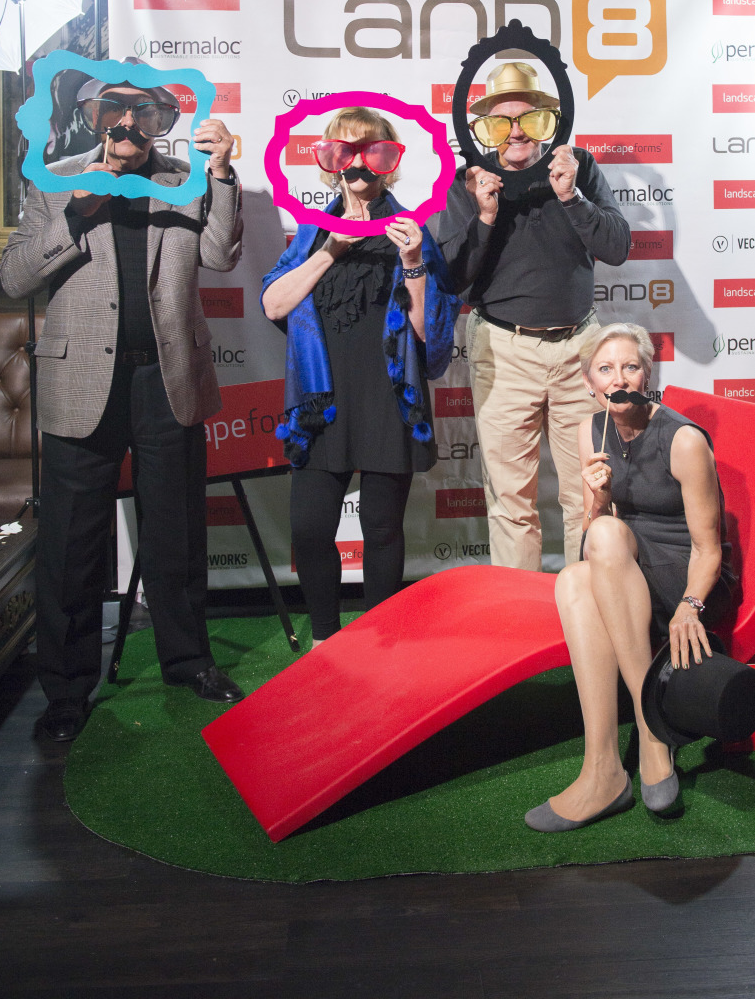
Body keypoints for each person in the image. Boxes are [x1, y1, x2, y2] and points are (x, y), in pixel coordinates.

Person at [0, 62, 245, 741]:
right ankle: (66, 690)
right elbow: (15, 276)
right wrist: (77, 210)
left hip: (166, 378)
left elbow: (221, 256)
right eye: (116, 109)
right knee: (72, 543)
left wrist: (222, 175)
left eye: (144, 111)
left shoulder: (185, 179)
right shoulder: (55, 180)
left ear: (162, 121)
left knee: (177, 534)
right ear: (95, 118)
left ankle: (188, 662)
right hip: (81, 382)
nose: (129, 122)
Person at [525, 323, 735, 830]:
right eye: (605, 369)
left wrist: (690, 606)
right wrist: (598, 499)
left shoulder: (683, 440)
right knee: (573, 578)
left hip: (690, 578)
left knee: (601, 543)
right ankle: (603, 768)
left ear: (647, 375)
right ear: (589, 383)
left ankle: (651, 731)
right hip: (626, 569)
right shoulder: (590, 430)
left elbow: (709, 550)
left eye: (630, 367)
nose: (618, 379)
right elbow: (593, 534)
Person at [262, 106, 459, 645]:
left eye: (372, 150)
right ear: (330, 161)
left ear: (388, 160)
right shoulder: (312, 232)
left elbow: (430, 338)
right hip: (322, 401)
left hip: (386, 399)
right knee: (309, 528)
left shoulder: (412, 232)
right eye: (342, 151)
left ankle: (381, 644)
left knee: (381, 528)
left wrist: (413, 261)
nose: (356, 164)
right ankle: (325, 639)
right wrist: (331, 249)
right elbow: (274, 304)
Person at [436, 61, 630, 571]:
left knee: (588, 493)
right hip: (502, 350)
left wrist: (571, 197)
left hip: (580, 352)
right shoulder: (467, 179)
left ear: (549, 120)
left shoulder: (578, 166)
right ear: (484, 128)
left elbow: (617, 247)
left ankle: (591, 603)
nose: (516, 132)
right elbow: (452, 279)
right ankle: (520, 613)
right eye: (502, 122)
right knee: (510, 503)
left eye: (529, 118)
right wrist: (484, 215)